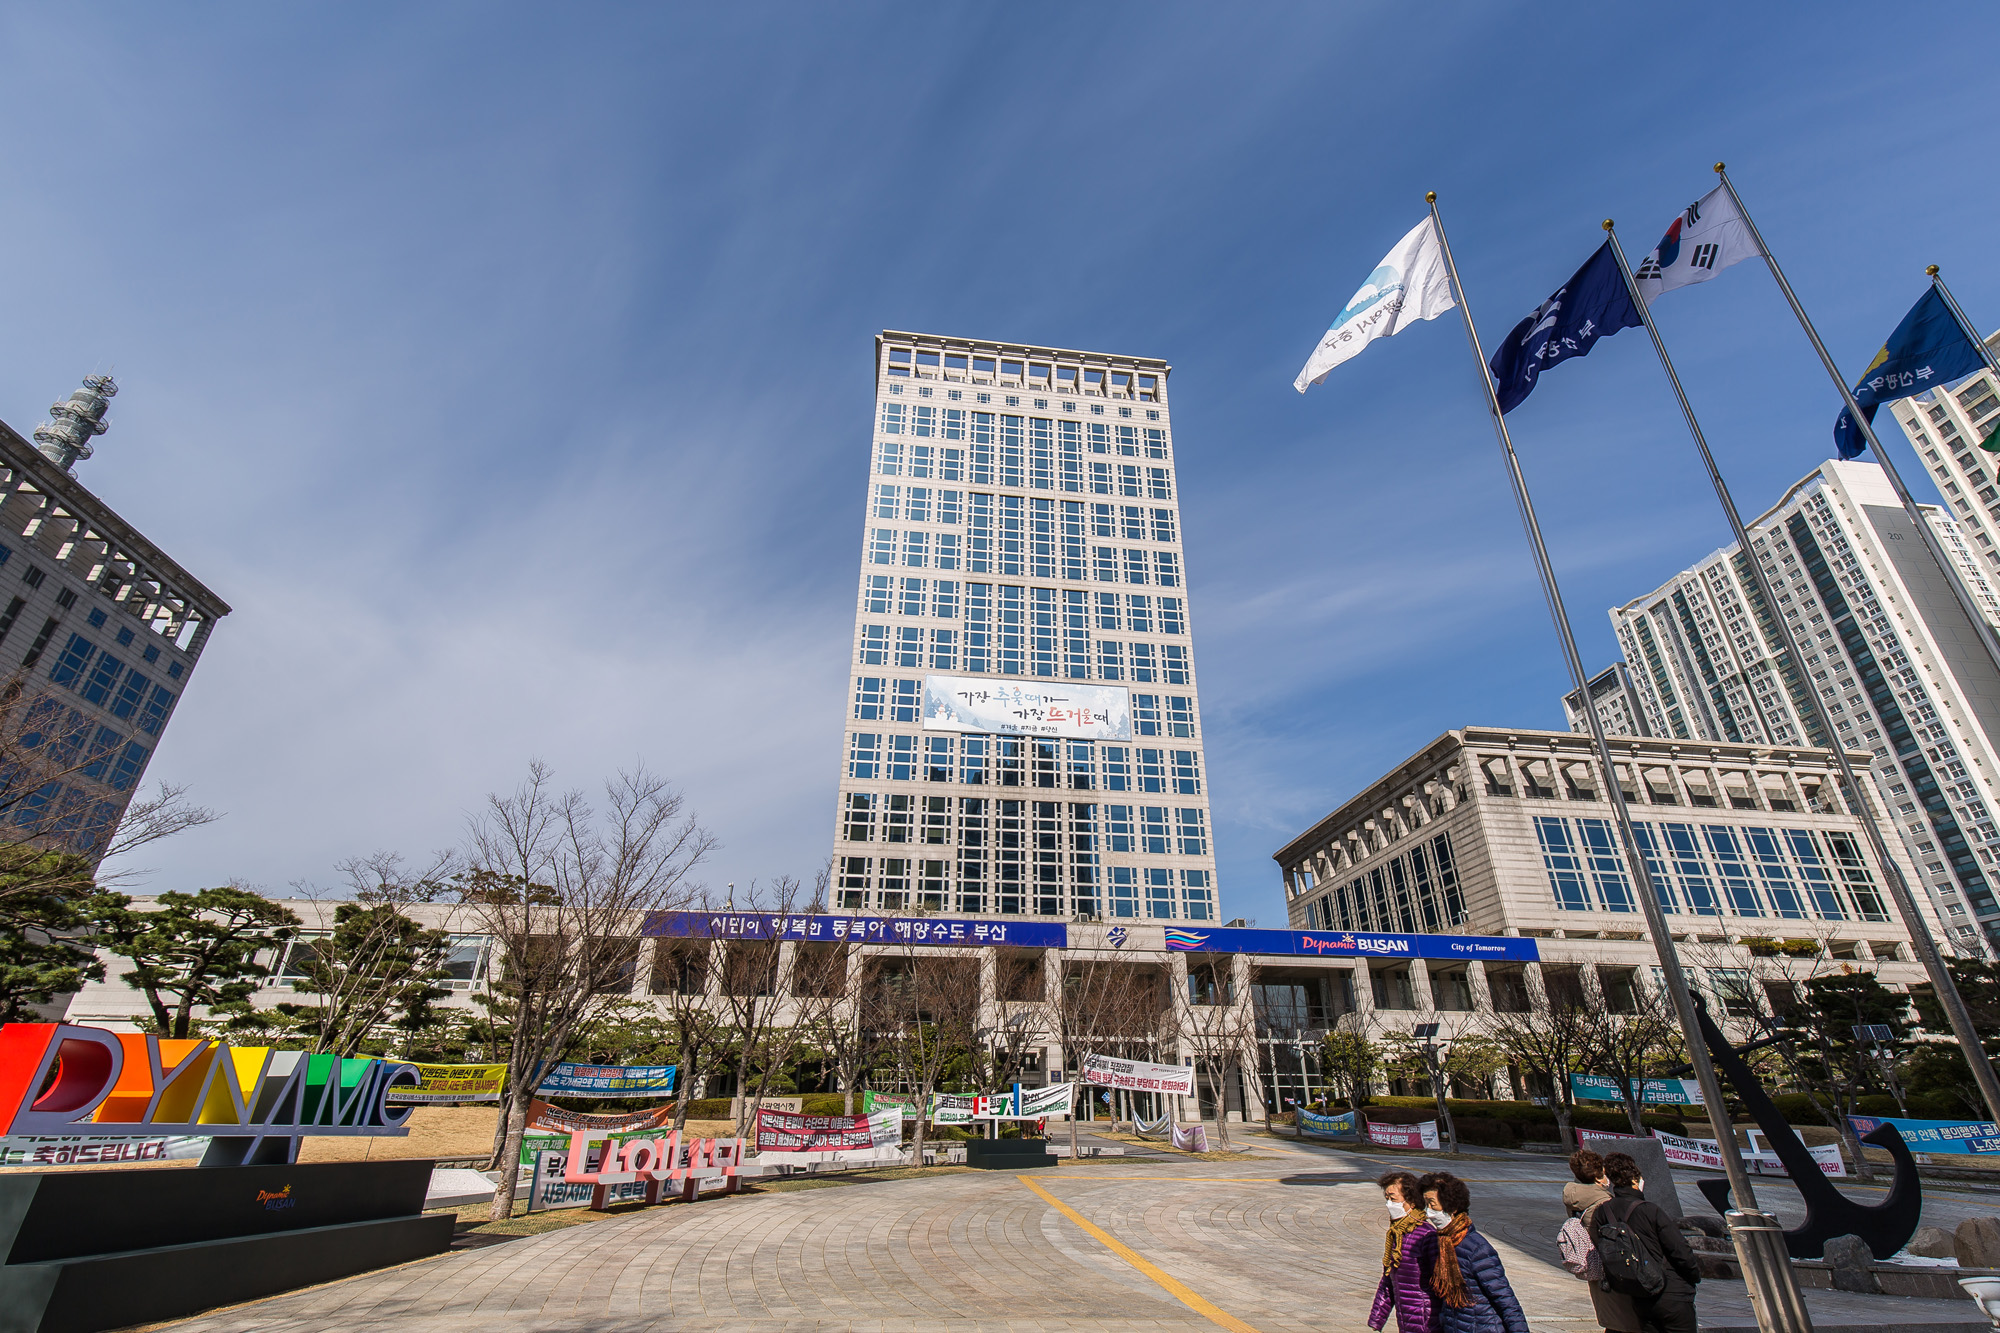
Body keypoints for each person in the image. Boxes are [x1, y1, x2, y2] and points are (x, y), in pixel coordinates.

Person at [1590, 1152, 1700, 1333]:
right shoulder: (1650, 1210)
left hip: (1638, 1292)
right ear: (1635, 1179)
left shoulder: (1602, 1213)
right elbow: (1680, 1250)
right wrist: (1693, 1276)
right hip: (1672, 1291)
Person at [1418, 1172, 1530, 1333]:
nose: (1428, 1213)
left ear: (1452, 1206)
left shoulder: (1477, 1249)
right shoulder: (1443, 1243)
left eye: (1432, 1204)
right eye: (1426, 1205)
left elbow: (1504, 1298)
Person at [1564, 1149, 1637, 1333]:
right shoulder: (1602, 1203)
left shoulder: (1576, 1197)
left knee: (1612, 1321)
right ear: (1598, 1178)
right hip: (1613, 1268)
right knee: (1623, 1323)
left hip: (1595, 1265)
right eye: (1604, 1174)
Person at [1369, 1171, 1437, 1333]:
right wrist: (1376, 1319)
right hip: (1406, 1320)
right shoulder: (1397, 1234)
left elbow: (1442, 1281)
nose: (1389, 1204)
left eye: (1393, 1199)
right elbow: (1388, 1281)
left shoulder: (1427, 1235)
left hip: (1428, 1321)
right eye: (1387, 1199)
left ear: (1411, 1201)